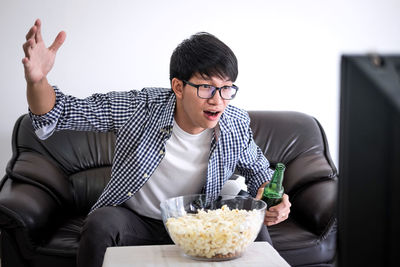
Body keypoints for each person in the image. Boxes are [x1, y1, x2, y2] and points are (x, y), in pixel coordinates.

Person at [22, 19, 291, 267]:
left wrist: (273, 198)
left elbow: (260, 173)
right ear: (178, 86)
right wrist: (38, 80)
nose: (218, 100)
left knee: (251, 219)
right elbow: (63, 111)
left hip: (200, 223)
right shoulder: (140, 107)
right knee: (101, 223)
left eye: (226, 88)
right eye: (206, 87)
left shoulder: (234, 123)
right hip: (137, 221)